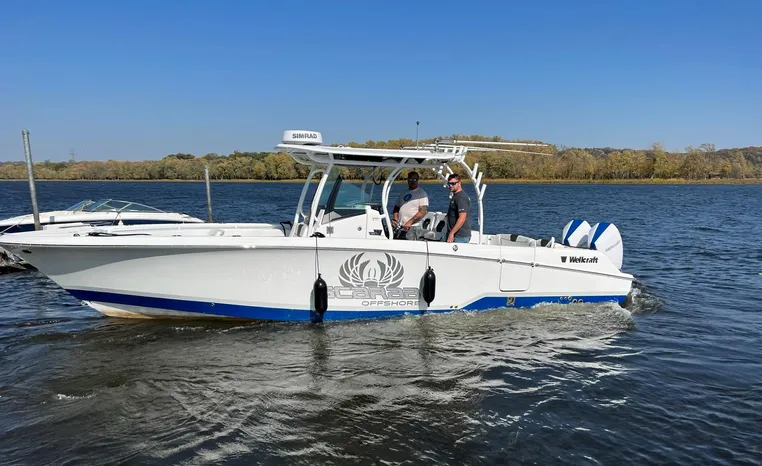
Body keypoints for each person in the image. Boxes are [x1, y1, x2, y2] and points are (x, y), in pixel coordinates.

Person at [392, 171, 428, 239]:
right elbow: (396, 208)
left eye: (415, 179)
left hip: (413, 227)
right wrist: (395, 219)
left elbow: (422, 211)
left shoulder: (421, 193)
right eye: (411, 179)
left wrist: (410, 222)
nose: (413, 181)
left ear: (418, 180)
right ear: (408, 180)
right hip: (401, 226)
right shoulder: (403, 193)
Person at [445, 174, 471, 243]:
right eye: (449, 184)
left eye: (453, 183)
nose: (450, 186)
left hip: (460, 236)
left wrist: (452, 233)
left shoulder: (461, 197)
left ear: (459, 183)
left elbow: (462, 218)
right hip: (454, 235)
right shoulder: (455, 196)